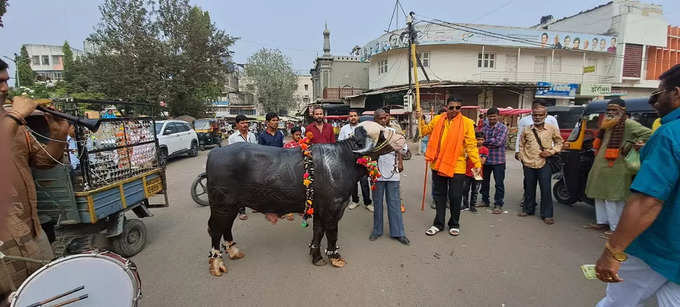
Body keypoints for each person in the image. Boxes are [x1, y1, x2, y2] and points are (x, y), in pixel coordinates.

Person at [594, 64, 680, 307]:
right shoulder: (607, 126)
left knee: (617, 302)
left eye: (658, 93)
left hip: (661, 246)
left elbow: (647, 202)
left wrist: (613, 251)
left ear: (676, 93)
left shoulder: (669, 134)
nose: (655, 101)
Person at [0, 59, 70, 303]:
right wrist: (17, 115)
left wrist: (58, 137)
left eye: (6, 81)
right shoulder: (14, 120)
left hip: (31, 230)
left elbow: (42, 161)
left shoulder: (13, 122)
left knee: (49, 294)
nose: (5, 89)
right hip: (4, 246)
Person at [585, 98, 651, 239]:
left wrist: (635, 144)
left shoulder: (628, 123)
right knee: (599, 194)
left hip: (617, 167)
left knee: (614, 198)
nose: (611, 112)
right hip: (601, 166)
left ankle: (616, 229)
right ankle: (602, 222)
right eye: (609, 110)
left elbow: (649, 134)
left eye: (614, 110)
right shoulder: (607, 124)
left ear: (623, 111)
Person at [418, 97, 481, 237]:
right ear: (447, 107)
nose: (454, 110)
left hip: (457, 165)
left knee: (455, 196)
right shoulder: (438, 119)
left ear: (461, 108)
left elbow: (471, 145)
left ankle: (454, 223)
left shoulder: (467, 123)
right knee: (439, 196)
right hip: (438, 164)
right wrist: (420, 119)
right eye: (451, 107)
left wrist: (477, 164)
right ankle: (438, 224)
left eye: (458, 108)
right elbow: (423, 131)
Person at [517, 103, 563, 224]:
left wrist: (551, 152)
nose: (537, 117)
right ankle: (528, 209)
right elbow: (521, 143)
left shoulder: (551, 128)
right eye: (535, 115)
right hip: (528, 163)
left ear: (545, 115)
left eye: (540, 115)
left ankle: (547, 214)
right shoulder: (527, 129)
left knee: (545, 189)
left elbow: (559, 143)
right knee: (529, 187)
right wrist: (521, 156)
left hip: (544, 163)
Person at [368, 109, 409, 245]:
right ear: (375, 120)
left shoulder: (394, 132)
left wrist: (401, 161)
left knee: (394, 203)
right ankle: (377, 230)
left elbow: (403, 149)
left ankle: (398, 233)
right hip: (376, 173)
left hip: (393, 172)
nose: (384, 120)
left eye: (385, 117)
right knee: (377, 203)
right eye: (380, 118)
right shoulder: (370, 134)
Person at [338, 110, 373, 211]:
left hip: (362, 160)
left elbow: (368, 142)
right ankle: (355, 201)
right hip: (350, 161)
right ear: (348, 118)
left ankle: (368, 202)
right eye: (351, 116)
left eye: (355, 116)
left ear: (358, 117)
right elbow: (340, 143)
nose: (353, 117)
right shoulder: (344, 129)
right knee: (352, 183)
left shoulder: (363, 128)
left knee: (364, 182)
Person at [227, 114, 258, 221]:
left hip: (252, 165)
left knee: (253, 186)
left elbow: (256, 149)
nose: (245, 125)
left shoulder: (252, 135)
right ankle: (242, 210)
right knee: (240, 189)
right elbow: (231, 153)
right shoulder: (232, 138)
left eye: (246, 123)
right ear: (237, 125)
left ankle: (254, 205)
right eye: (242, 123)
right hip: (239, 166)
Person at [480, 107, 508, 214]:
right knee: (484, 182)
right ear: (487, 117)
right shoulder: (484, 127)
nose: (492, 119)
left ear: (498, 116)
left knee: (499, 184)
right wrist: (488, 141)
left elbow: (498, 142)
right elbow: (480, 141)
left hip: (499, 161)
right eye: (490, 117)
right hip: (485, 160)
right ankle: (485, 200)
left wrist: (485, 142)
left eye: (494, 116)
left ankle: (498, 204)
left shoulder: (503, 128)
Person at [462, 132, 488, 213]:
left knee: (475, 190)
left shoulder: (484, 150)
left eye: (482, 140)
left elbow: (482, 162)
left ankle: (472, 205)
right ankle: (465, 205)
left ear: (484, 140)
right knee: (465, 189)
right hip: (467, 171)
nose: (480, 141)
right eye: (478, 139)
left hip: (477, 172)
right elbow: (464, 158)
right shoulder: (469, 148)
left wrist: (474, 155)